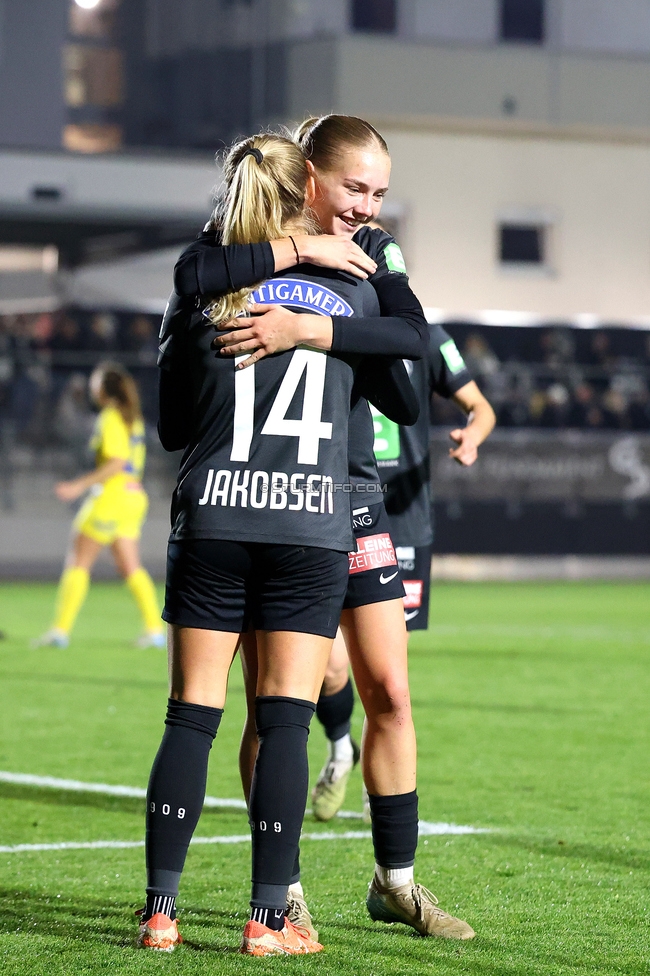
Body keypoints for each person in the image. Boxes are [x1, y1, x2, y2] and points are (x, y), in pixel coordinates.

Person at [183, 115, 477, 941]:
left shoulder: (377, 252)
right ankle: (285, 887)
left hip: (358, 496)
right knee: (278, 704)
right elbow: (193, 277)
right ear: (308, 173)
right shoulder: (252, 235)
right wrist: (297, 260)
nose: (367, 207)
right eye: (355, 188)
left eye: (380, 193)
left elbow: (412, 350)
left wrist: (310, 327)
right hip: (277, 496)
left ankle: (398, 881)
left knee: (388, 690)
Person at [32, 363, 163, 650]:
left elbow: (116, 462)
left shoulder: (111, 418)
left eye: (94, 384)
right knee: (130, 567)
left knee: (78, 560)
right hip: (133, 496)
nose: (91, 389)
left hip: (110, 497)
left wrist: (78, 485)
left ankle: (60, 631)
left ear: (103, 389)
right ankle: (154, 630)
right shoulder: (133, 418)